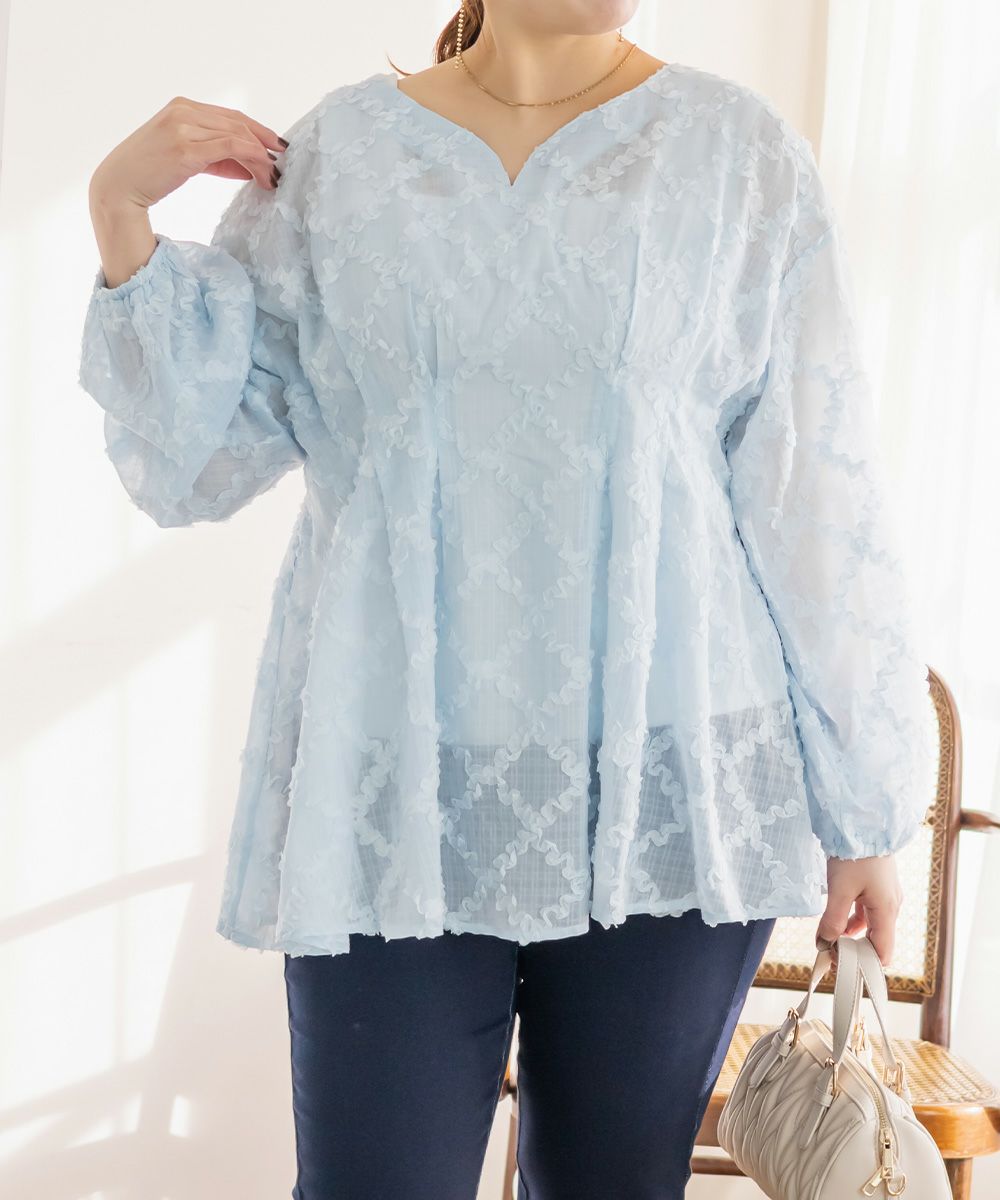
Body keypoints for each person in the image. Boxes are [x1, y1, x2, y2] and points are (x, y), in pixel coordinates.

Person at [78, 2, 938, 1197]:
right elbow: (201, 458)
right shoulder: (338, 160)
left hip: (667, 789)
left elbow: (813, 486)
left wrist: (864, 808)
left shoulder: (737, 155)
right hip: (393, 790)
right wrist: (121, 211)